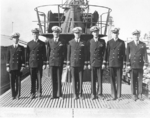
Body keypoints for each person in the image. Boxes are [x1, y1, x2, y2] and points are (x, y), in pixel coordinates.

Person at [126, 30, 148, 101]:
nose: (136, 36)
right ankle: (133, 94)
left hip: (140, 65)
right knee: (133, 80)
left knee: (140, 80)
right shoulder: (129, 44)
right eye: (135, 35)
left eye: (137, 35)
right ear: (133, 36)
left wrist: (146, 64)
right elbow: (127, 55)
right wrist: (128, 64)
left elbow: (145, 55)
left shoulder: (143, 44)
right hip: (133, 65)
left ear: (139, 36)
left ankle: (139, 94)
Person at [105, 28, 126, 101]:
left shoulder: (122, 42)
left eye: (116, 33)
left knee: (119, 79)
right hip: (112, 63)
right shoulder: (109, 42)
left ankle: (119, 95)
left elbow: (124, 54)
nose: (115, 34)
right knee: (112, 79)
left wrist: (124, 63)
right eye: (114, 33)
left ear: (118, 34)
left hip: (119, 63)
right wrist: (106, 63)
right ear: (112, 34)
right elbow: (107, 53)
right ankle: (113, 95)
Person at [67, 27, 87, 100]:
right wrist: (68, 64)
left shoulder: (83, 42)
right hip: (73, 63)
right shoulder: (70, 42)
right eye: (76, 33)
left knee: (80, 80)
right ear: (74, 34)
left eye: (78, 33)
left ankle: (81, 94)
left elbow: (85, 54)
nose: (77, 34)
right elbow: (68, 54)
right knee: (74, 79)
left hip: (80, 63)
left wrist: (86, 64)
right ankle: (75, 94)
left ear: (80, 33)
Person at [26, 28, 46, 100]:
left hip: (39, 63)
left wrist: (44, 63)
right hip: (32, 64)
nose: (35, 35)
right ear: (32, 34)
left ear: (38, 34)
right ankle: (32, 93)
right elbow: (27, 54)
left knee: (39, 79)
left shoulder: (42, 43)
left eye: (36, 34)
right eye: (34, 34)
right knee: (32, 79)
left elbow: (44, 54)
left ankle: (39, 93)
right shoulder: (29, 44)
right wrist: (27, 63)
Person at [46, 26, 66, 99]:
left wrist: (64, 62)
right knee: (53, 79)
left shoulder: (62, 41)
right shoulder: (50, 41)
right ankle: (53, 94)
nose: (56, 33)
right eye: (54, 32)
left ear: (59, 33)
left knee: (59, 78)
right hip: (52, 62)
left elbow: (64, 52)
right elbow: (48, 52)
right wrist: (47, 62)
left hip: (59, 62)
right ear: (52, 33)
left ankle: (60, 94)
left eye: (57, 32)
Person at [87, 26, 106, 100]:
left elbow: (104, 53)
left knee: (100, 79)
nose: (95, 33)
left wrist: (104, 63)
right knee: (93, 79)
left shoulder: (102, 41)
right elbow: (87, 53)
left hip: (100, 63)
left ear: (98, 32)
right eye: (94, 32)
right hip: (92, 62)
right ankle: (93, 94)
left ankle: (100, 94)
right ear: (92, 33)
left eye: (97, 32)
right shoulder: (89, 42)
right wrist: (88, 63)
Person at [6, 32, 25, 100]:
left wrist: (22, 66)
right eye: (14, 38)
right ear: (12, 39)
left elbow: (23, 58)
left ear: (18, 39)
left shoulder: (21, 48)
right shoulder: (9, 48)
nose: (16, 39)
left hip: (18, 67)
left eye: (17, 38)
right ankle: (13, 95)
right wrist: (7, 66)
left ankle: (18, 95)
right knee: (12, 82)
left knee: (18, 82)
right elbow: (8, 58)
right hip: (11, 67)